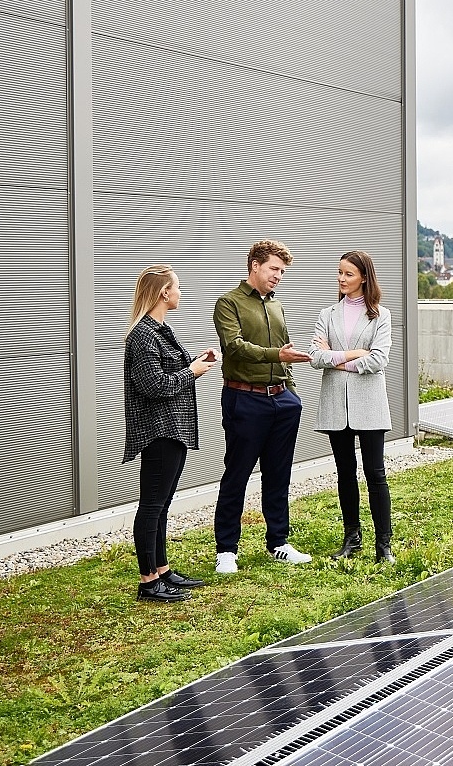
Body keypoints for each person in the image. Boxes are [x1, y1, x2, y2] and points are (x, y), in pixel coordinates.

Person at [211, 240, 313, 573]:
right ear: (255, 265)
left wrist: (291, 393)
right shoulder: (228, 303)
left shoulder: (276, 306)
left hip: (282, 400)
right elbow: (234, 347)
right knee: (237, 473)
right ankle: (226, 549)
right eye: (274, 269)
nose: (278, 276)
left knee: (278, 474)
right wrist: (277, 356)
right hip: (245, 399)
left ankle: (278, 543)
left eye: (282, 271)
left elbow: (285, 352)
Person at [123, 265, 218, 602]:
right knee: (151, 505)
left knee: (163, 504)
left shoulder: (160, 330)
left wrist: (196, 362)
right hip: (158, 430)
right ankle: (148, 582)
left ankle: (162, 570)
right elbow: (153, 385)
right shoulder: (143, 335)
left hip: (173, 428)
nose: (181, 293)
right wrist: (191, 371)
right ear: (164, 292)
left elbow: (169, 371)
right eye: (177, 287)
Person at [308, 251, 396, 563]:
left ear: (363, 277)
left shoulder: (380, 316)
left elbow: (378, 359)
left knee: (375, 474)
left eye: (348, 274)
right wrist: (354, 353)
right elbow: (315, 357)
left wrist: (338, 359)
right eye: (340, 273)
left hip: (369, 405)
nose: (341, 279)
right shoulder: (327, 314)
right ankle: (352, 537)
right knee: (345, 473)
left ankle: (383, 545)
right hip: (335, 404)